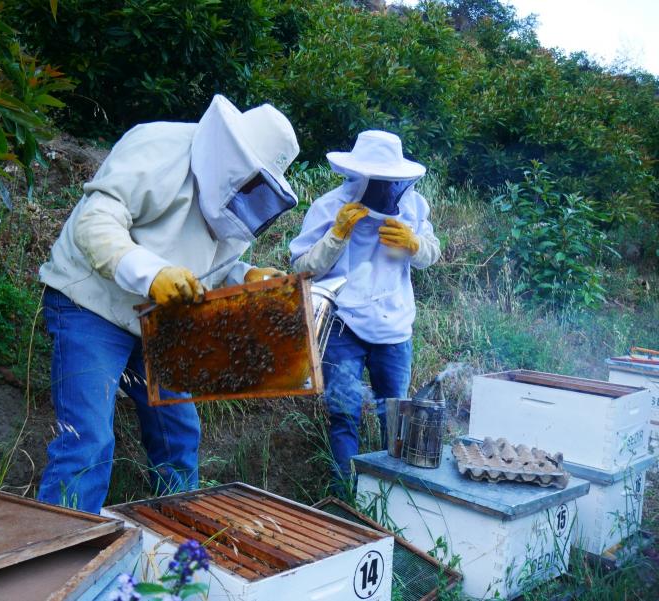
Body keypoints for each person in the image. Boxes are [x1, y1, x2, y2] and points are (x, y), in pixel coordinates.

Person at [38, 95, 299, 513]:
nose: (251, 193)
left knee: (178, 434)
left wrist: (243, 276)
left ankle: (179, 540)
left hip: (159, 322)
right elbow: (96, 222)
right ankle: (57, 557)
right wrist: (152, 273)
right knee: (87, 440)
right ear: (232, 156)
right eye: (251, 181)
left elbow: (207, 266)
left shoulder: (235, 200)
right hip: (92, 305)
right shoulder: (157, 145)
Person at [289, 130, 440, 494]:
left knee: (395, 419)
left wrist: (415, 244)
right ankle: (345, 501)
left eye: (390, 180)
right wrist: (336, 235)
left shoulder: (415, 206)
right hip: (342, 326)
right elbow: (301, 270)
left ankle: (396, 499)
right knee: (344, 416)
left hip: (394, 328)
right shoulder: (328, 207)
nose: (386, 187)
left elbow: (432, 253)